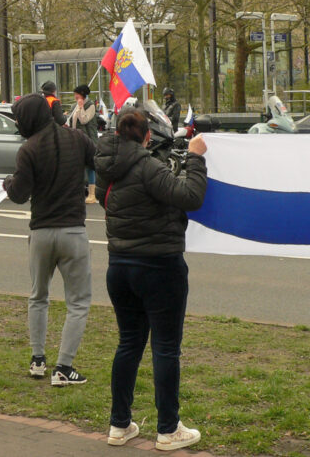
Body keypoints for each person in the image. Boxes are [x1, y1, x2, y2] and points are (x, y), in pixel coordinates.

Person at [95, 109, 207, 451]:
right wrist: (195, 159)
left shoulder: (107, 169)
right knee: (166, 348)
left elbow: (107, 200)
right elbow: (191, 197)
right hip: (159, 267)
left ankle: (119, 424)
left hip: (119, 267)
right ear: (147, 136)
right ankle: (168, 429)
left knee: (128, 344)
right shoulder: (147, 167)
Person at [3, 93, 94, 386]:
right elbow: (100, 161)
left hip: (41, 231)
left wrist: (8, 182)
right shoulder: (77, 139)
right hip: (73, 231)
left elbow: (18, 195)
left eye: (18, 118)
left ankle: (37, 359)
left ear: (28, 118)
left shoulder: (28, 149)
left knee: (38, 296)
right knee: (78, 303)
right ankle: (64, 367)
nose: (17, 123)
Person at [70, 84, 98, 204]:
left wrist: (81, 108)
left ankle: (92, 194)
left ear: (82, 94)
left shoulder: (90, 105)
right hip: (77, 139)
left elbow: (84, 120)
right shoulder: (74, 106)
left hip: (89, 140)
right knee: (78, 165)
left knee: (90, 166)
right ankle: (78, 191)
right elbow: (73, 122)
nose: (75, 96)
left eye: (77, 94)